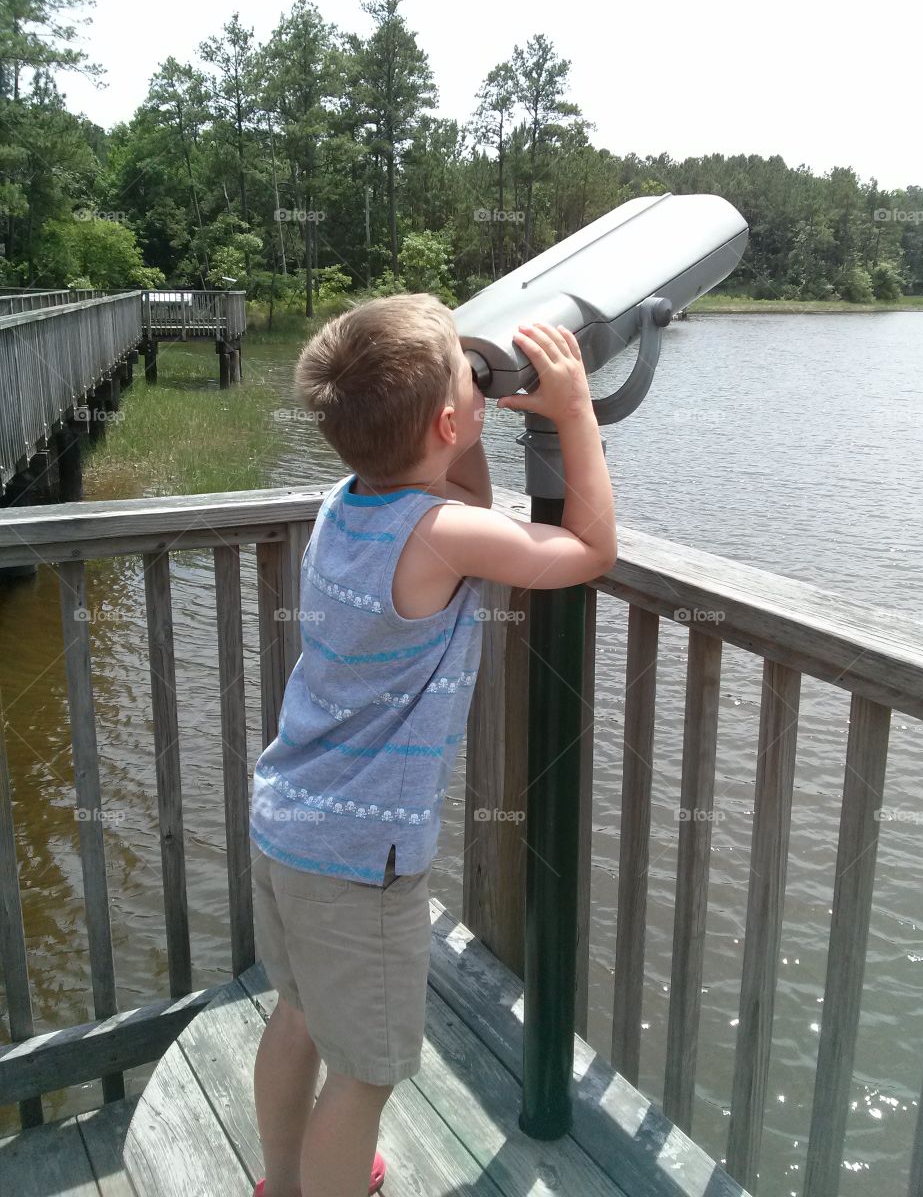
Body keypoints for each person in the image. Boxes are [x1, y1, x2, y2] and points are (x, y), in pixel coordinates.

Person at [248, 291, 617, 1197]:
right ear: (449, 420)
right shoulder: (442, 534)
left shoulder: (347, 501)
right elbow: (590, 549)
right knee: (367, 1072)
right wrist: (574, 415)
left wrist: (466, 428)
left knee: (296, 1015)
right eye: (469, 374)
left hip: (286, 824)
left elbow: (460, 496)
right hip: (358, 861)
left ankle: (282, 1180)